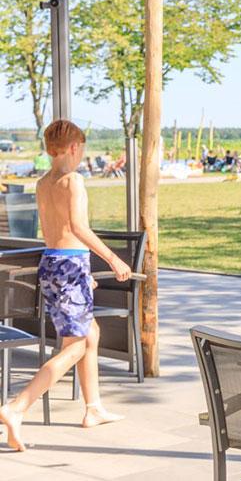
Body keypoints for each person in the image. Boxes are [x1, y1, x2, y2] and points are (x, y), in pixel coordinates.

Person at [0, 120, 132, 452]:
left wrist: (78, 269)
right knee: (74, 347)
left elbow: (59, 233)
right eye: (82, 149)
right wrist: (113, 259)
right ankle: (17, 408)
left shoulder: (43, 182)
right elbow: (78, 227)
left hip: (55, 263)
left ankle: (93, 408)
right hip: (70, 265)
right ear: (74, 148)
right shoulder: (74, 180)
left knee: (91, 333)